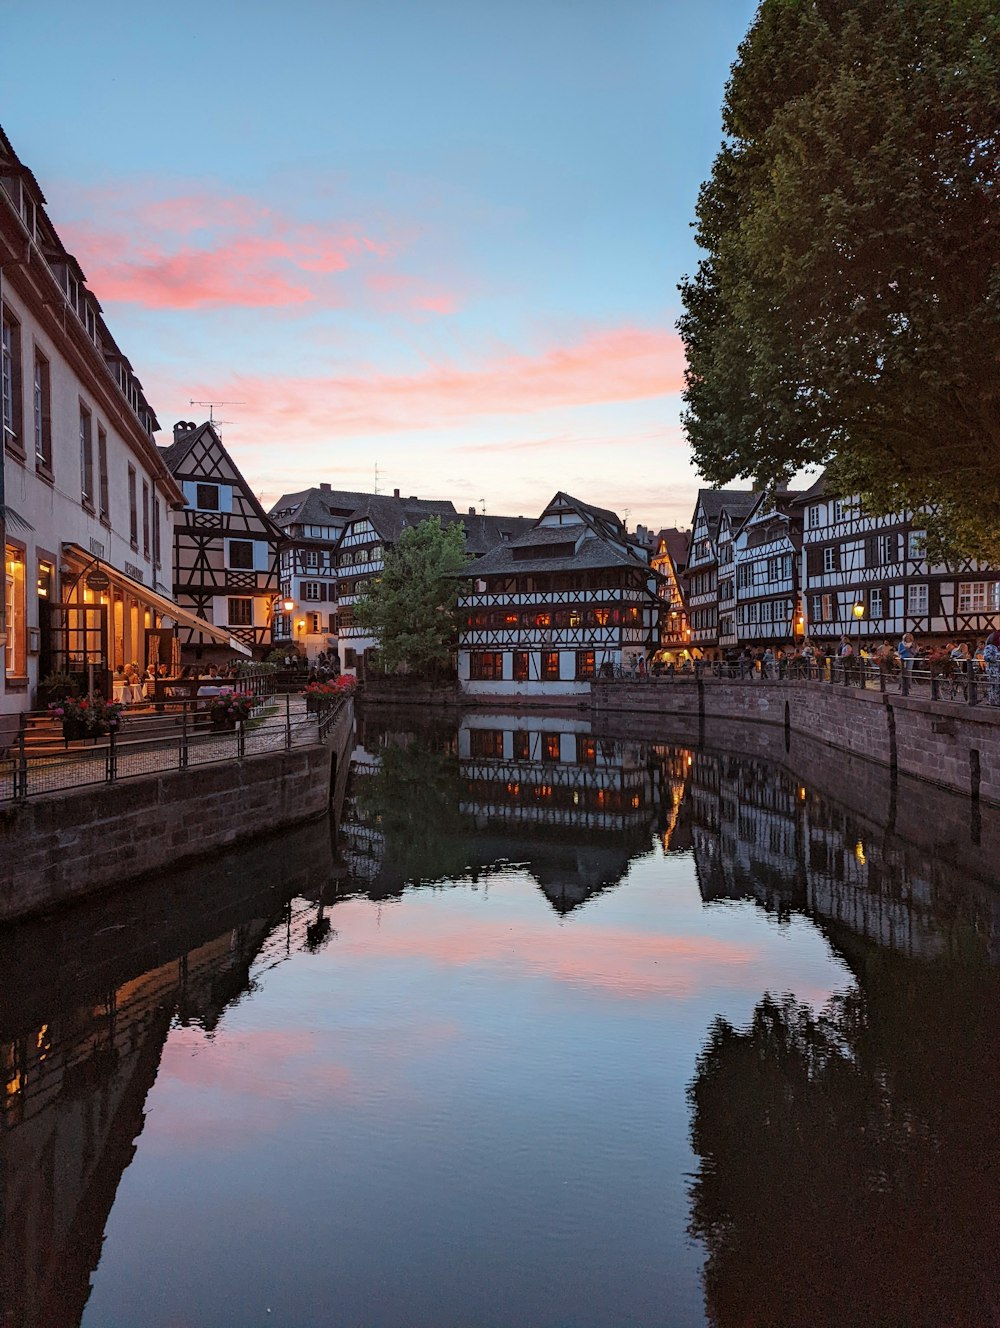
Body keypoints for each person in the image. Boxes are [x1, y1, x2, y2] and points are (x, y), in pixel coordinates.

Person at [984, 630, 1000, 706]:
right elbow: (986, 657)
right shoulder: (989, 647)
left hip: (998, 669)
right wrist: (997, 656)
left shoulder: (998, 647)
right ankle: (994, 701)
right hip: (993, 669)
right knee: (994, 685)